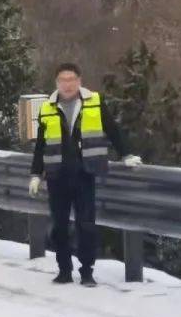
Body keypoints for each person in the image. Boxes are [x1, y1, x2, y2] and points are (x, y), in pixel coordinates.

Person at [29, 63, 142, 287]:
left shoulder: (95, 103)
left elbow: (113, 130)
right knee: (60, 226)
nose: (67, 84)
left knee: (86, 225)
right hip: (56, 175)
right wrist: (35, 174)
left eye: (71, 79)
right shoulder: (47, 108)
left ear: (79, 81)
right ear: (57, 83)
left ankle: (87, 271)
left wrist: (126, 154)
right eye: (63, 80)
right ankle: (64, 270)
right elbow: (41, 145)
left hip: (84, 174)